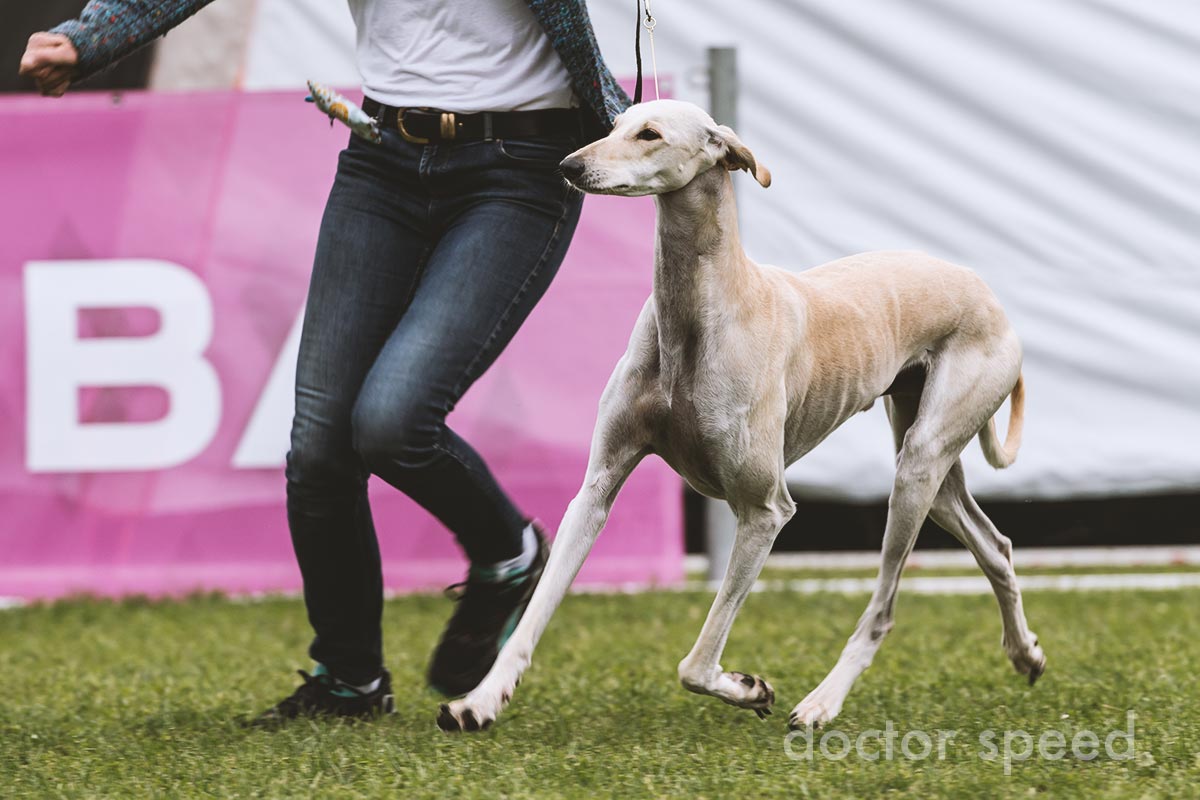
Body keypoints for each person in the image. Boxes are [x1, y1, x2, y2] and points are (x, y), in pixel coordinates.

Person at [20, 0, 631, 724]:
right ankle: (349, 681)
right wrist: (86, 39)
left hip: (517, 169)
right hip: (384, 161)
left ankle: (509, 553)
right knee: (319, 449)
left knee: (393, 421)